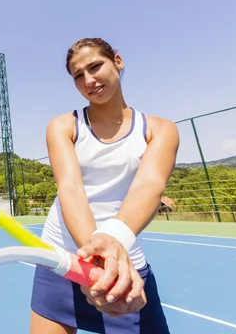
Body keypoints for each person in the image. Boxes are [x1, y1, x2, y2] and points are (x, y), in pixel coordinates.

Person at [29, 38, 179, 333]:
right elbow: (70, 188)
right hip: (63, 258)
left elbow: (149, 186)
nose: (88, 80)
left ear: (118, 62)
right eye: (77, 75)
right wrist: (96, 254)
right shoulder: (63, 126)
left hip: (123, 263)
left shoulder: (161, 130)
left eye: (95, 66)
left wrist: (111, 245)